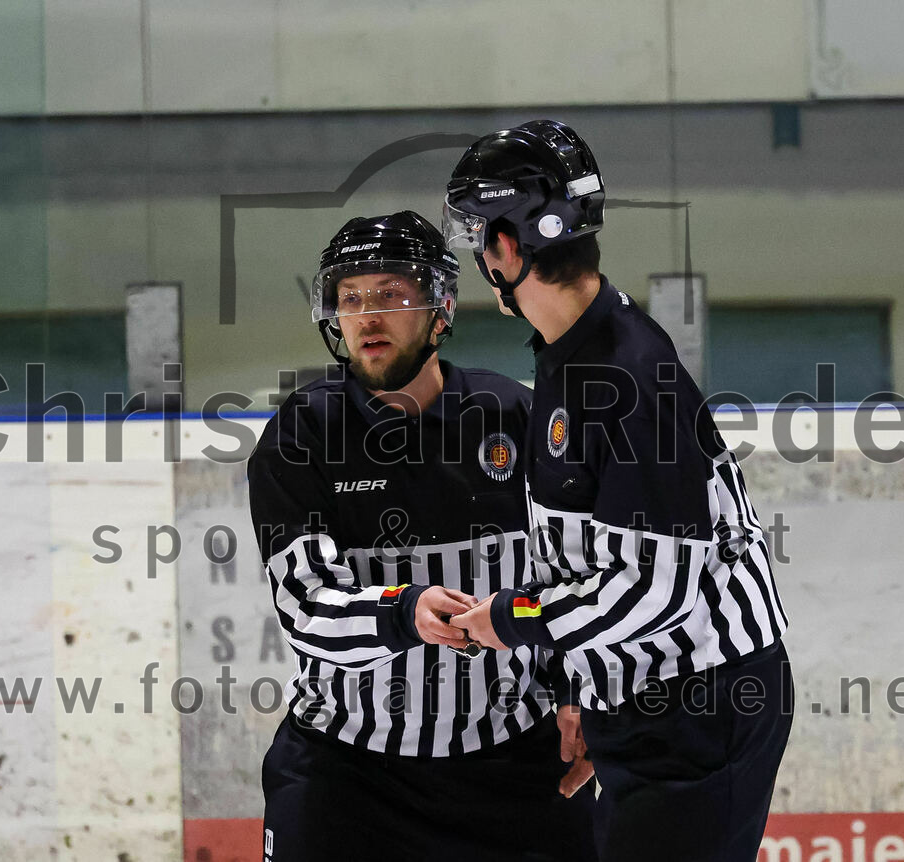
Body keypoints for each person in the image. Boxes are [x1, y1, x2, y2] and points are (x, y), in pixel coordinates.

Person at [443, 120, 793, 862]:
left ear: (505, 247)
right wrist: (584, 687)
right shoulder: (571, 352)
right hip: (648, 697)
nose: (478, 253)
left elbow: (657, 590)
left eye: (477, 234)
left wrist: (507, 620)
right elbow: (587, 553)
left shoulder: (628, 374)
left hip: (701, 704)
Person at [246, 210, 596, 862]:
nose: (367, 317)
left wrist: (580, 693)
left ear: (440, 307)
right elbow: (305, 609)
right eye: (350, 299)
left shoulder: (514, 416)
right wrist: (403, 611)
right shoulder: (302, 436)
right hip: (347, 778)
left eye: (391, 296)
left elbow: (570, 577)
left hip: (513, 765)